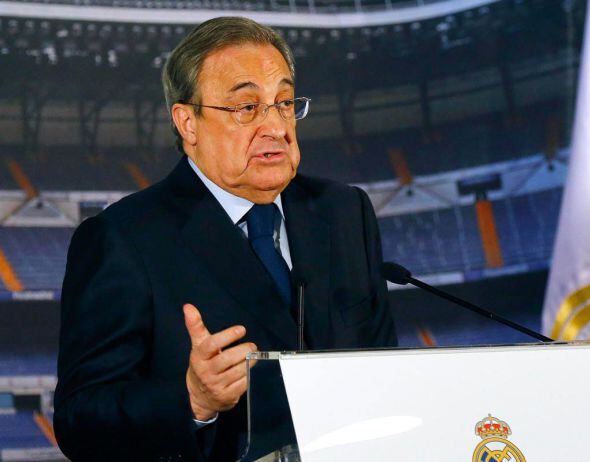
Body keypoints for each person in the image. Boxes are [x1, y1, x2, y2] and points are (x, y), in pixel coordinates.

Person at [54, 17, 397, 462]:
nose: (275, 126)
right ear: (188, 123)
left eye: (285, 102)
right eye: (247, 107)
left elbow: (387, 372)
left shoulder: (344, 211)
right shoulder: (123, 239)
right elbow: (80, 419)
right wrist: (193, 401)